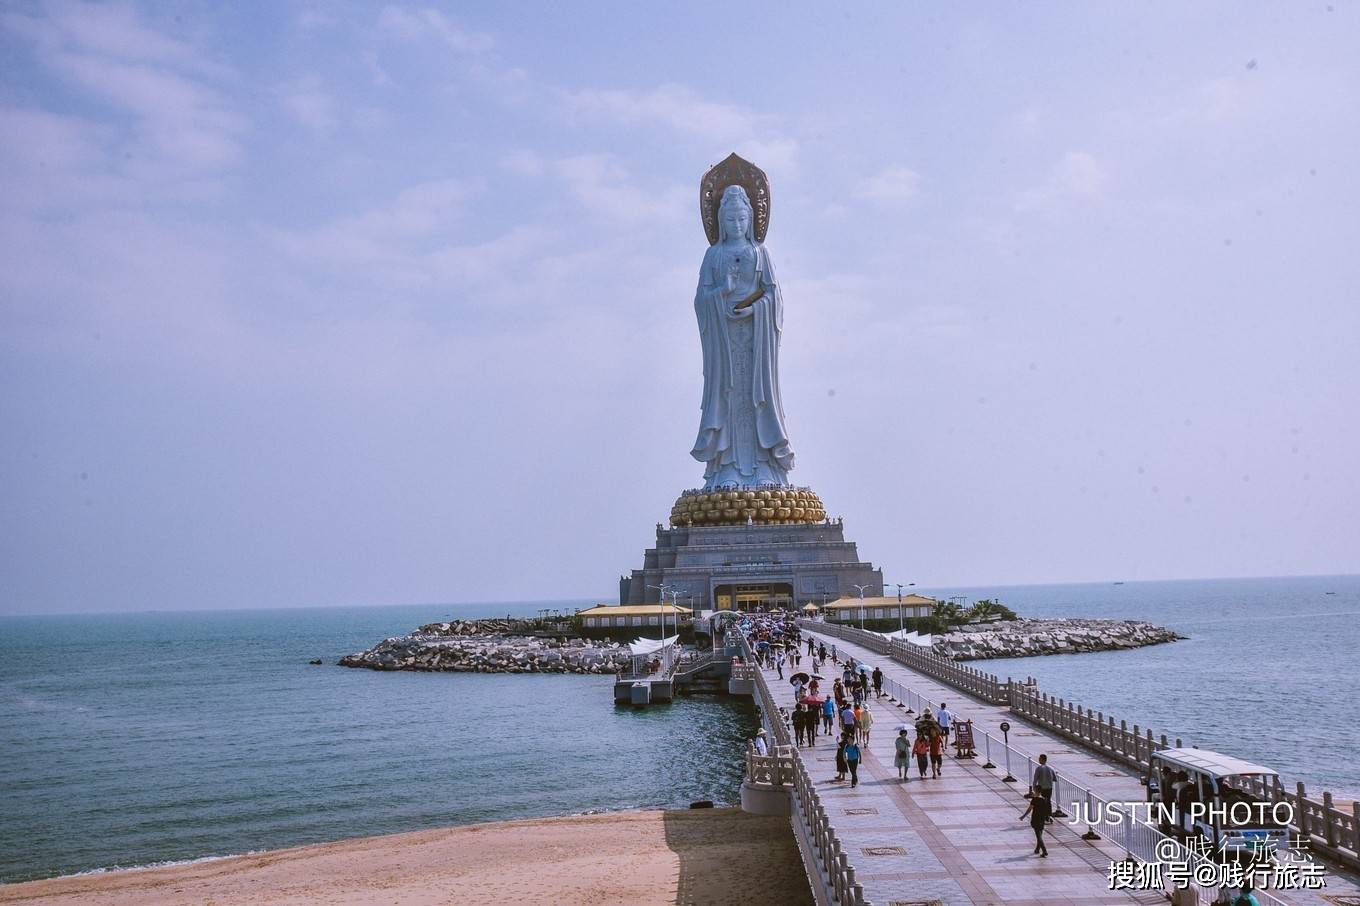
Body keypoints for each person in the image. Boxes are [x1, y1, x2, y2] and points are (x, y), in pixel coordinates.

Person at [1029, 789, 1051, 856]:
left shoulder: (1034, 800)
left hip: (1035, 819)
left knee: (1038, 836)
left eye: (1034, 791)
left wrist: (1023, 816)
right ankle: (1037, 849)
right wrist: (1047, 818)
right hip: (1042, 819)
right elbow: (1047, 810)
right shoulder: (1044, 800)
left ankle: (1044, 851)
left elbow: (1029, 809)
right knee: (1040, 835)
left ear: (1037, 792)